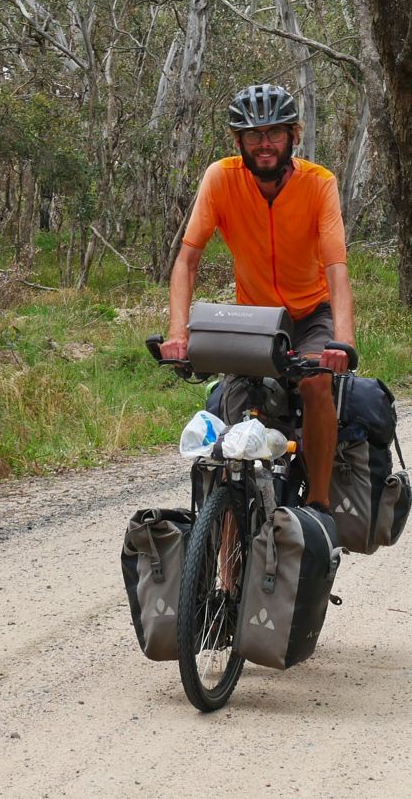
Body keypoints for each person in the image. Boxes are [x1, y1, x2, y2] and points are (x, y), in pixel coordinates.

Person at [159, 83, 355, 509]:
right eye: (253, 135)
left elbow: (336, 268)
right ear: (238, 142)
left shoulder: (319, 183)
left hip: (310, 313)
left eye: (275, 133)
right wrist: (177, 334)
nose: (264, 144)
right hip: (255, 318)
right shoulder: (221, 178)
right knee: (235, 407)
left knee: (316, 384)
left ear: (293, 136)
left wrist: (342, 341)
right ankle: (230, 520)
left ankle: (319, 503)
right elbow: (187, 261)